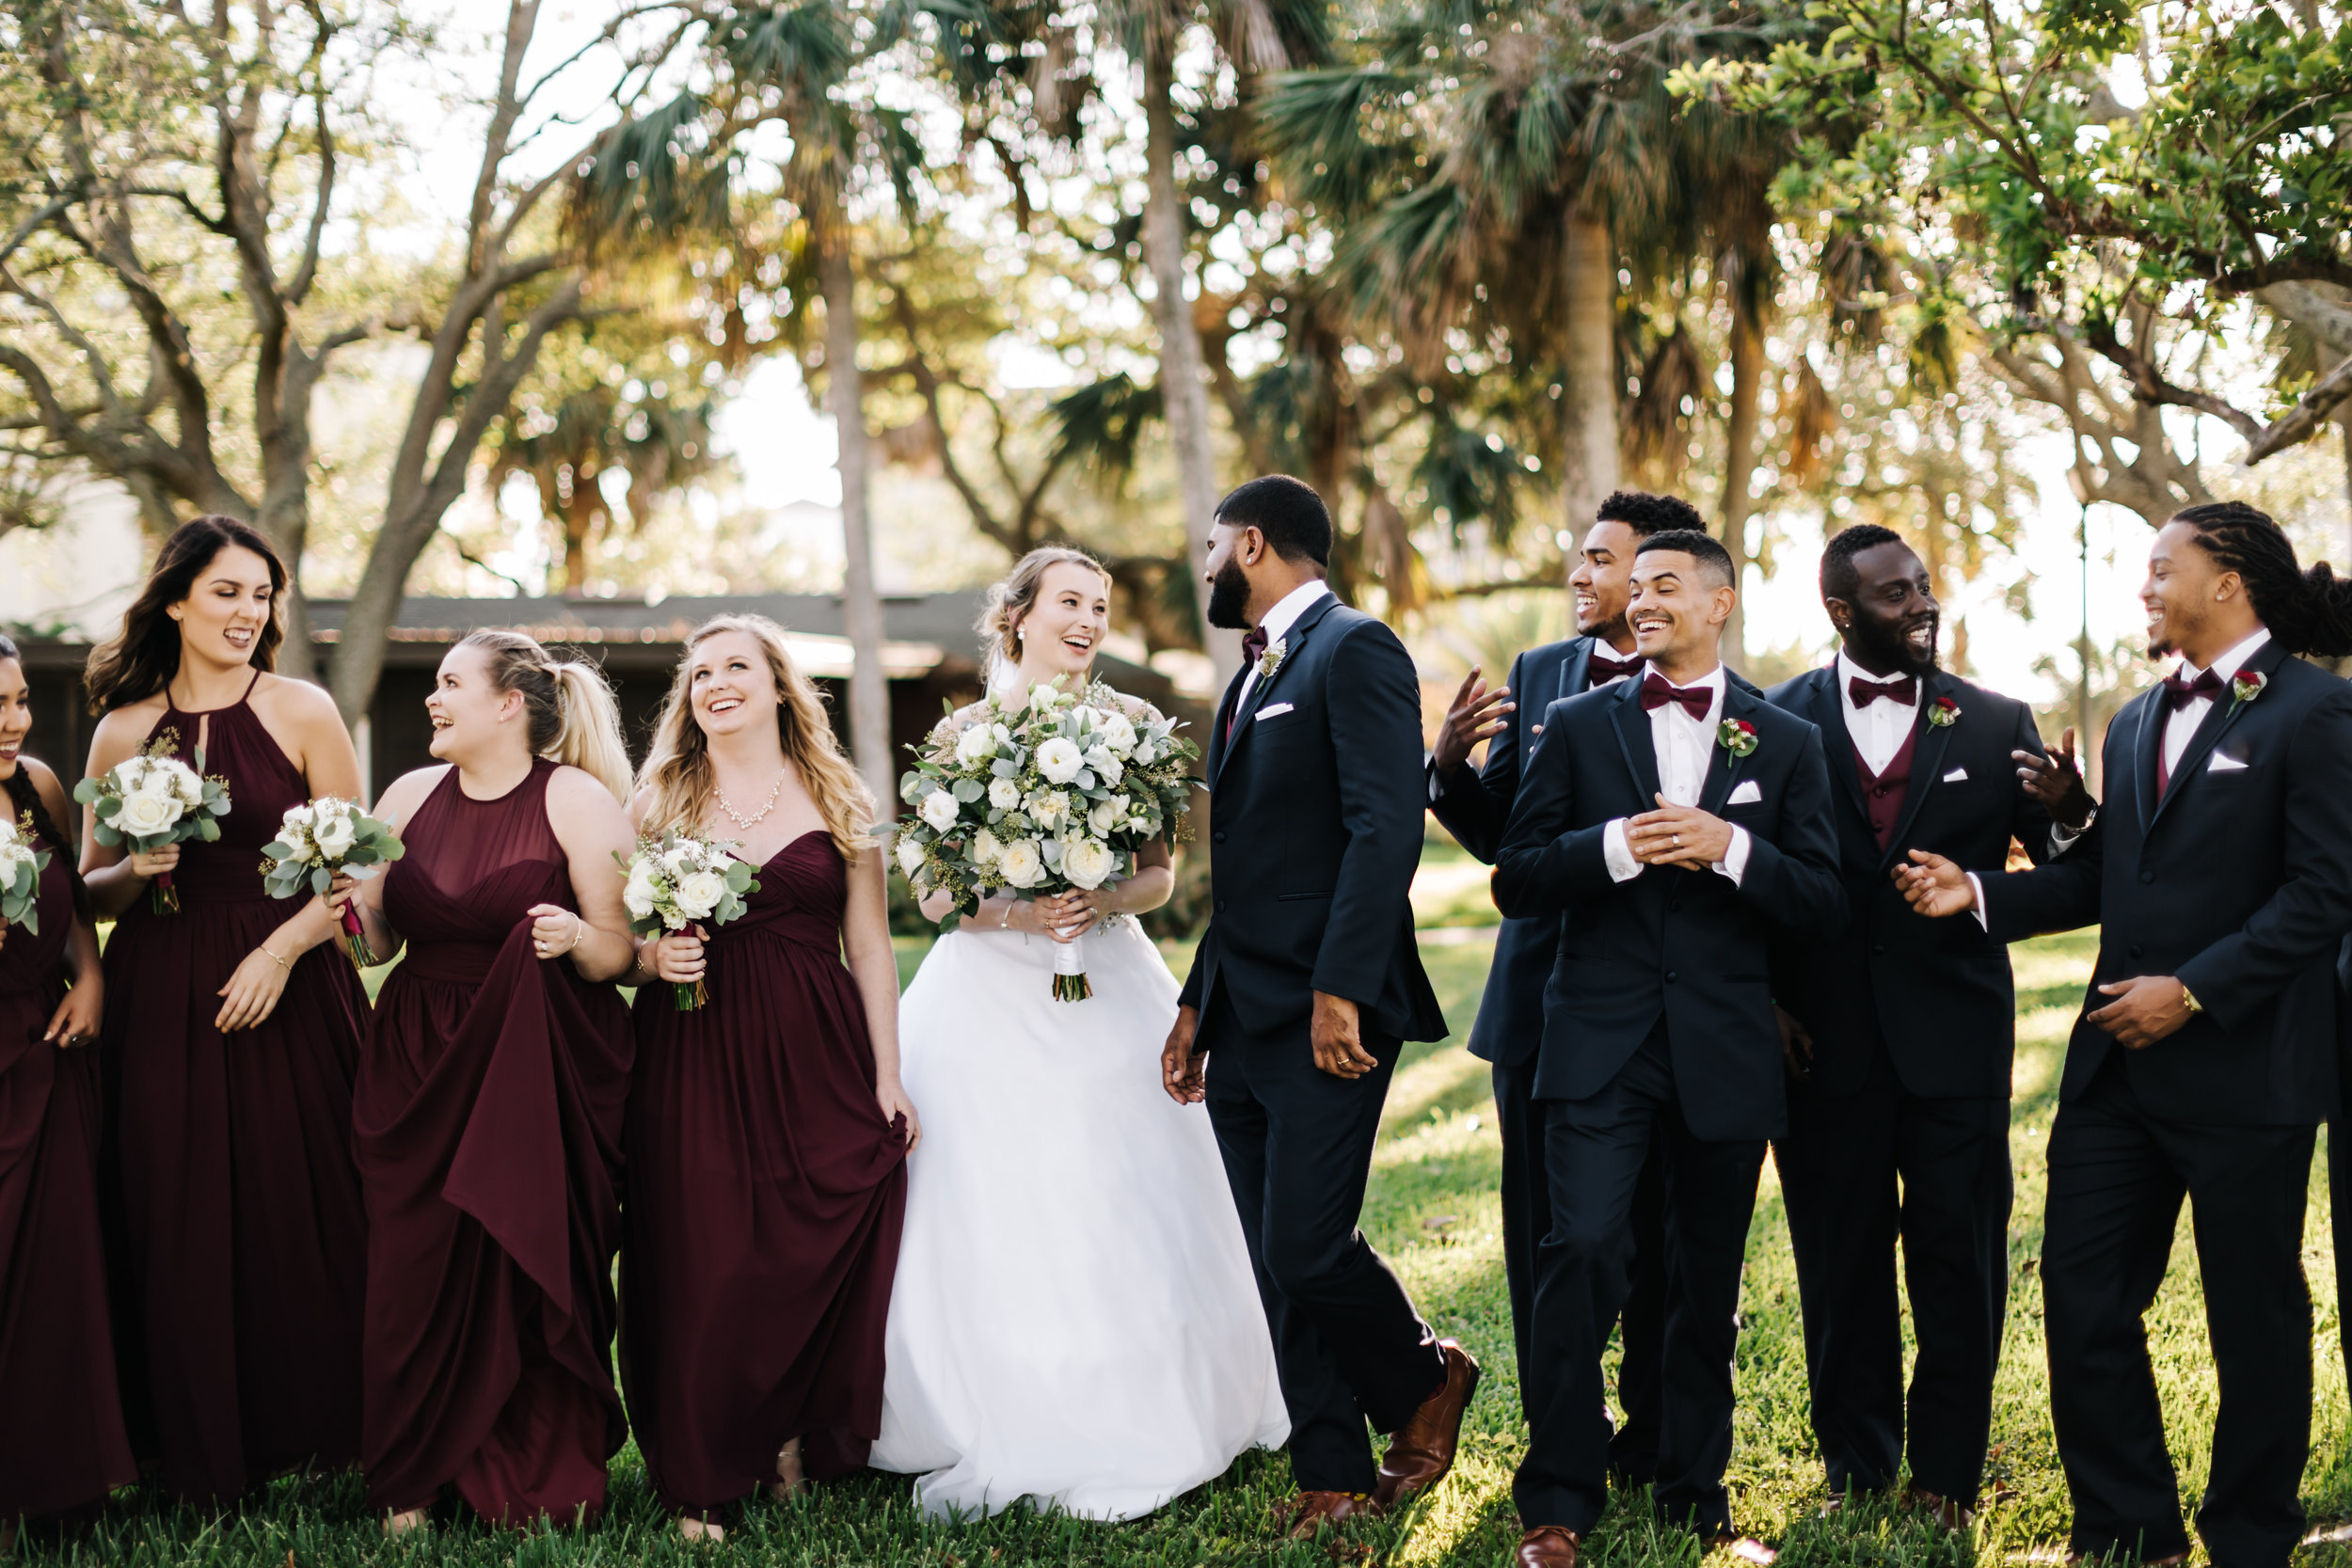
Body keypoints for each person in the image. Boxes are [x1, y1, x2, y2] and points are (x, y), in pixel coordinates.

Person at [1897, 501, 2352, 1568]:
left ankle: (2248, 1533)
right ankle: (2127, 1526)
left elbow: (2324, 890)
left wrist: (2190, 991)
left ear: (2228, 578)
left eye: (2160, 568)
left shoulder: (2314, 713)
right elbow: (2111, 877)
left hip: (2246, 1068)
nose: (2143, 587)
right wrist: (1977, 894)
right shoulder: (2134, 720)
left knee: (2254, 1315)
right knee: (2081, 1291)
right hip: (2115, 1069)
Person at [872, 547, 1286, 1520]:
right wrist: (1022, 915)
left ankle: (1159, 1393)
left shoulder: (1135, 725)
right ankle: (981, 1397)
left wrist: (1097, 896)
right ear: (1016, 615)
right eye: (1070, 601)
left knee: (1120, 1174)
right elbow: (935, 892)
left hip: (1108, 971)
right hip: (986, 992)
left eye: (1100, 605)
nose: (1089, 620)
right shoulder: (961, 734)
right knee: (991, 1190)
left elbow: (1160, 878)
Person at [1493, 529, 1844, 1568]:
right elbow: (1515, 874)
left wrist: (1729, 847)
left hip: (1725, 1048)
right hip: (1597, 1040)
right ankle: (1557, 1493)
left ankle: (1694, 1483)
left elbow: (1822, 897)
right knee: (1584, 1247)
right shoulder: (1571, 722)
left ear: (1719, 602)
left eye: (1662, 586)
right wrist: (1614, 847)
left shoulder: (1782, 740)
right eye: (1631, 586)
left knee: (1704, 1276)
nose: (1638, 601)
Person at [1161, 478, 1469, 1542]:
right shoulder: (1246, 679)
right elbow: (1250, 870)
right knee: (1269, 1254)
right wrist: (1197, 1003)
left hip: (1329, 1007)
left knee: (1304, 1243)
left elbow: (1387, 829)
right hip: (1243, 1009)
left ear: (1251, 542)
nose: (1203, 567)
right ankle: (1329, 1477)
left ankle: (1428, 1373)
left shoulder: (1357, 648)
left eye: (1212, 548)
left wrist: (1339, 988)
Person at [1764, 524, 2085, 1527]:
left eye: (1924, 588)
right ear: (1840, 610)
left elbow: (2082, 873)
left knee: (1958, 1264)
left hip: (1954, 1044)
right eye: (1895, 594)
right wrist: (1765, 1001)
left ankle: (1945, 1477)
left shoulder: (1995, 723)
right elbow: (1742, 880)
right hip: (1820, 1049)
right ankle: (1856, 1469)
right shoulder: (1771, 722)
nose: (1922, 606)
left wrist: (2053, 830)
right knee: (1839, 1262)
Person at [80, 516, 370, 1505]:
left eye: (261, 596)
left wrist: (281, 949)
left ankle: (327, 1429)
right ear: (175, 601)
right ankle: (186, 1443)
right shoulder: (121, 729)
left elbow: (357, 866)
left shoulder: (302, 709)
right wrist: (134, 864)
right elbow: (88, 893)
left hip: (290, 979)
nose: (249, 613)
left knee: (310, 1203)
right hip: (161, 990)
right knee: (174, 1208)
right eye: (226, 593)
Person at [334, 631, 640, 1531]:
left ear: (509, 703)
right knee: (410, 1267)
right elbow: (378, 944)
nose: (433, 698)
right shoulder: (405, 796)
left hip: (532, 1063)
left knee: (517, 1262)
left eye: (449, 683)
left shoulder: (578, 801)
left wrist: (579, 940)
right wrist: (342, 907)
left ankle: (528, 1472)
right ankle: (410, 1477)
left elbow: (620, 950)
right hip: (418, 1060)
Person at [621, 615, 916, 1538]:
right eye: (699, 671)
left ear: (780, 684)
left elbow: (868, 943)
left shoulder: (837, 793)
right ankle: (699, 1474)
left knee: (799, 1239)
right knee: (699, 1247)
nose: (714, 682)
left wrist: (887, 1074)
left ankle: (783, 1433)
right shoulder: (658, 798)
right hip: (693, 1045)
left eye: (735, 665)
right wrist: (649, 959)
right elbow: (622, 936)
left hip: (813, 1045)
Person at [1426, 488, 1704, 1468]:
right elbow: (1508, 840)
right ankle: (1563, 1438)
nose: (1580, 576)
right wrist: (1449, 768)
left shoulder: (1716, 698)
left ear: (1660, 574)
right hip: (1539, 1003)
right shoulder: (1541, 670)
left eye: (1599, 559)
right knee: (1547, 1235)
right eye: (1578, 559)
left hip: (1666, 1005)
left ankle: (1658, 1436)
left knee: (1659, 1233)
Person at [0, 634, 134, 1550]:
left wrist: (88, 974)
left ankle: (52, 1481)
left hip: (43, 1051)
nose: (13, 722)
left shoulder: (37, 785)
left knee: (53, 1274)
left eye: (17, 701)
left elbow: (73, 903)